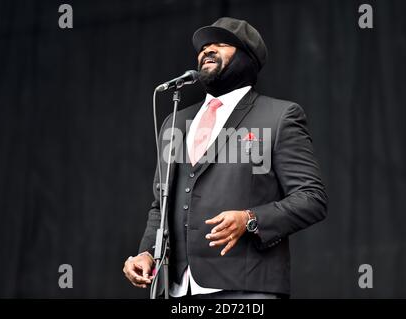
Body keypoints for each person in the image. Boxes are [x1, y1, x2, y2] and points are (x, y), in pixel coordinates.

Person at [123, 17, 328, 299]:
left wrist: (250, 219)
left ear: (247, 57)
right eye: (203, 47)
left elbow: (311, 198)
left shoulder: (279, 116)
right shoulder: (175, 122)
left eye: (220, 44)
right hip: (178, 289)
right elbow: (161, 204)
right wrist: (146, 253)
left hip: (248, 288)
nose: (207, 50)